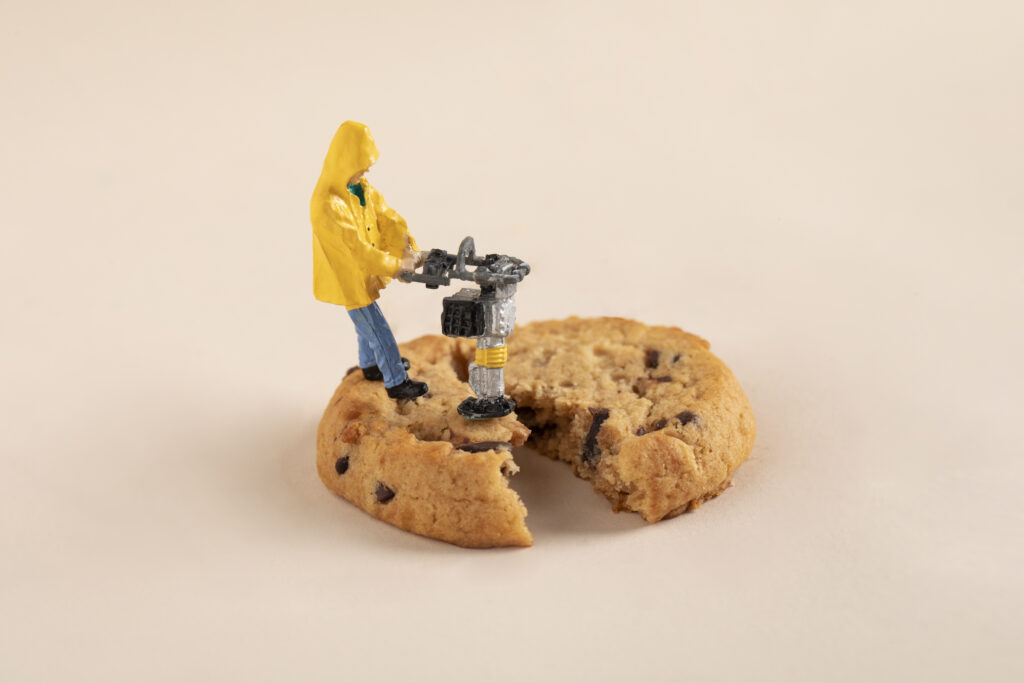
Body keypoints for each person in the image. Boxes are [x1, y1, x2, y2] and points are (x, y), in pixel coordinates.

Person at [310, 121, 428, 399]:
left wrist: (406, 249)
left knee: (365, 327)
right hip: (348, 279)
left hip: (364, 275)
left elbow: (388, 218)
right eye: (361, 165)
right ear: (345, 162)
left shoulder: (361, 189)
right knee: (378, 329)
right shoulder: (327, 204)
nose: (367, 171)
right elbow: (358, 252)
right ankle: (396, 382)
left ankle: (370, 365)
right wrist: (396, 267)